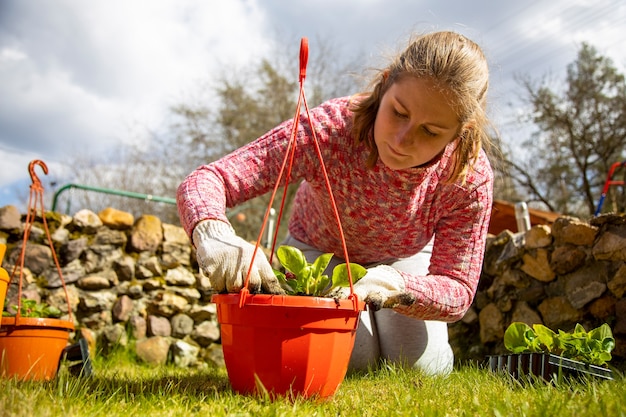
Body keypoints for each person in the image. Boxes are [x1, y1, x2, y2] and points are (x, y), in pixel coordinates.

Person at [177, 30, 494, 376]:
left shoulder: (468, 177)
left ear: (458, 133)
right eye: (399, 112)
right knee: (348, 359)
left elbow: (458, 287)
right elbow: (209, 179)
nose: (403, 140)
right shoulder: (329, 130)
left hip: (401, 263)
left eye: (430, 132)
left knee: (421, 368)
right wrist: (213, 233)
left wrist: (400, 287)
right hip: (317, 253)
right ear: (385, 85)